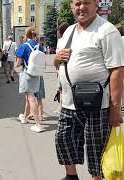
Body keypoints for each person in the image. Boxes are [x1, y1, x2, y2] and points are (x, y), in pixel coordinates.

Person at [54, 0, 124, 179]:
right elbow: (58, 63)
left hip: (97, 105)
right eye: (77, 3)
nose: (81, 7)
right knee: (63, 140)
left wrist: (115, 109)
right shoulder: (69, 31)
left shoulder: (106, 31)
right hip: (69, 103)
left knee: (96, 150)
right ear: (71, 6)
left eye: (86, 2)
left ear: (96, 5)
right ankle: (71, 176)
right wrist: (56, 59)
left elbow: (117, 70)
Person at [16, 27, 45, 132]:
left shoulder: (23, 46)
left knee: (31, 97)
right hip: (37, 74)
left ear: (26, 35)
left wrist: (16, 65)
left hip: (27, 73)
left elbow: (19, 63)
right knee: (29, 97)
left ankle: (37, 124)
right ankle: (24, 117)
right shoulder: (39, 46)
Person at [54, 22, 70, 116]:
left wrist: (57, 67)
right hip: (69, 68)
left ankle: (61, 108)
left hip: (62, 68)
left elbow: (58, 56)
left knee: (62, 89)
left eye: (58, 31)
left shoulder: (61, 41)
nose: (58, 33)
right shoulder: (74, 38)